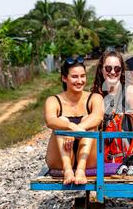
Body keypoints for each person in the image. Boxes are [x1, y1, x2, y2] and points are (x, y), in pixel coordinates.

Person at [44, 56, 104, 185]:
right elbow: (50, 121)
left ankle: (80, 169)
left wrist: (77, 130)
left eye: (82, 76)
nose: (80, 80)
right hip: (61, 157)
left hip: (88, 158)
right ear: (64, 78)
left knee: (90, 119)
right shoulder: (53, 100)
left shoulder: (95, 98)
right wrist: (70, 126)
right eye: (75, 77)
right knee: (61, 120)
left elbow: (98, 117)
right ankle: (68, 170)